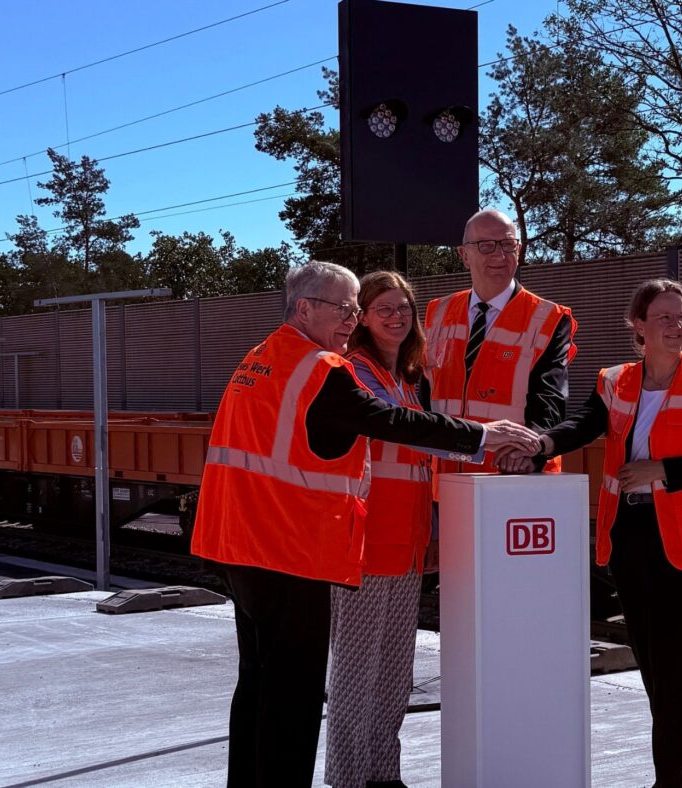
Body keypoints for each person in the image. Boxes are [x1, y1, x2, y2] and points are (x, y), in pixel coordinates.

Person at [190, 261, 540, 788]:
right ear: (304, 307)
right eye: (345, 307)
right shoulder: (320, 368)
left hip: (237, 543)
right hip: (287, 550)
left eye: (356, 309)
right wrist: (482, 436)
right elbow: (390, 420)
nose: (352, 319)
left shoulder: (260, 357)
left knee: (258, 685)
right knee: (293, 699)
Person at [501, 278, 682, 788]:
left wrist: (662, 470)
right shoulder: (616, 381)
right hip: (631, 534)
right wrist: (540, 445)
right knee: (654, 663)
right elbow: (584, 427)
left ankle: (670, 782)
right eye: (665, 318)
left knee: (674, 667)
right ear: (638, 325)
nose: (677, 327)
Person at [325, 271, 471, 788]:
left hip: (405, 543)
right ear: (362, 316)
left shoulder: (408, 380)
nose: (395, 316)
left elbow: (417, 464)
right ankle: (347, 778)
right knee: (354, 678)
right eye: (383, 307)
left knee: (392, 676)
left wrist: (430, 531)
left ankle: (384, 776)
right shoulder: (353, 373)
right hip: (366, 544)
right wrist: (482, 440)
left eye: (403, 308)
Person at [422, 208, 577, 472]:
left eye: (508, 244)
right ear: (464, 255)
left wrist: (533, 450)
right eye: (486, 246)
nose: (499, 255)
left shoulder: (548, 317)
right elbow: (426, 394)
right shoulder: (438, 312)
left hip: (513, 475)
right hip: (445, 476)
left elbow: (550, 397)